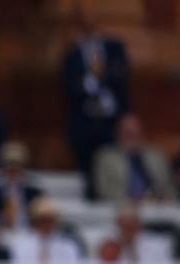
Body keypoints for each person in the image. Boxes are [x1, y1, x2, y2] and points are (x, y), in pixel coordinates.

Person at [62, 4, 129, 189]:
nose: (89, 23)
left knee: (115, 165)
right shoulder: (72, 54)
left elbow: (121, 75)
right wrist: (93, 80)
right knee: (88, 170)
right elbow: (70, 86)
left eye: (92, 18)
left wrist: (98, 77)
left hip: (112, 119)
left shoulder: (114, 47)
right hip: (85, 119)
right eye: (83, 20)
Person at [92, 114, 177, 202]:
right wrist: (132, 200)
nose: (132, 138)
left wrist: (168, 197)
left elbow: (169, 186)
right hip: (122, 207)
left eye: (136, 133)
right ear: (118, 134)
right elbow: (103, 191)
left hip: (158, 207)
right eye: (128, 133)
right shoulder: (105, 157)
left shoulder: (156, 155)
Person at [0, 141, 43, 229]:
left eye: (16, 169)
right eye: (9, 170)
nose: (13, 174)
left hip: (28, 235)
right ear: (2, 170)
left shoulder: (35, 194)